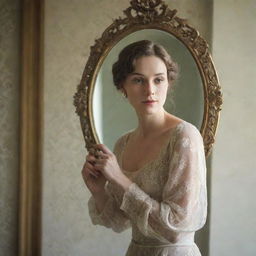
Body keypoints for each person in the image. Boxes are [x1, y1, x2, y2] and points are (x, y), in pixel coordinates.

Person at [82, 40, 207, 256]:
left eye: (158, 80)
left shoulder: (184, 136)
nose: (150, 90)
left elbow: (176, 229)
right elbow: (120, 222)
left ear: (168, 83)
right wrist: (99, 190)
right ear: (123, 86)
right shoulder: (123, 143)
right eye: (138, 80)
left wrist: (119, 179)